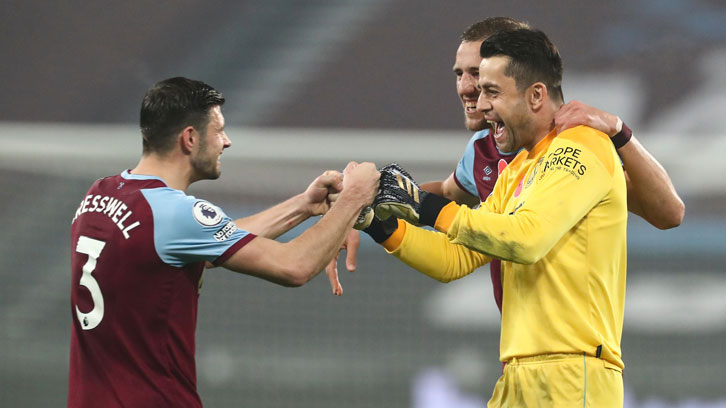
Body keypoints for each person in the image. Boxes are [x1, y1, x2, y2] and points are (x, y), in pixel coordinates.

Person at [68, 77, 379, 407]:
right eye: (219, 130)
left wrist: (304, 206)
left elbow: (210, 246)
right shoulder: (175, 213)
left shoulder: (99, 194)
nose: (227, 142)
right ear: (190, 138)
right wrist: (354, 199)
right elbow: (294, 267)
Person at [368, 28, 632, 406]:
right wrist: (377, 224)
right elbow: (453, 257)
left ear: (536, 95)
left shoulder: (583, 145)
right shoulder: (516, 171)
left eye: (492, 92)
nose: (480, 103)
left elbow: (527, 239)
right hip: (517, 375)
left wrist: (422, 204)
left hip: (575, 376)